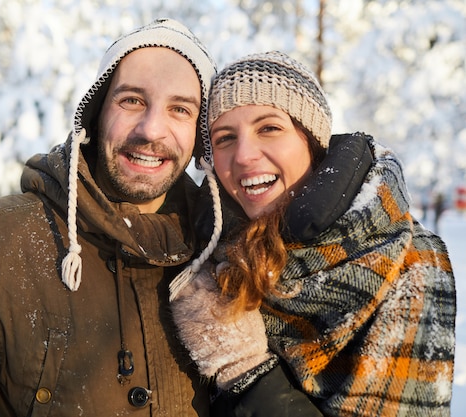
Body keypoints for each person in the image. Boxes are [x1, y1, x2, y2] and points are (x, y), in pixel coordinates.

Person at [0, 18, 217, 416]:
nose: (151, 129)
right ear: (95, 115)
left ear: (200, 136)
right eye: (132, 101)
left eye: (180, 109)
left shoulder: (226, 254)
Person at [169, 51, 456, 416]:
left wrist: (244, 370)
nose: (243, 155)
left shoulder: (407, 259)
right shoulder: (209, 254)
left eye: (269, 128)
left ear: (312, 139)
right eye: (224, 137)